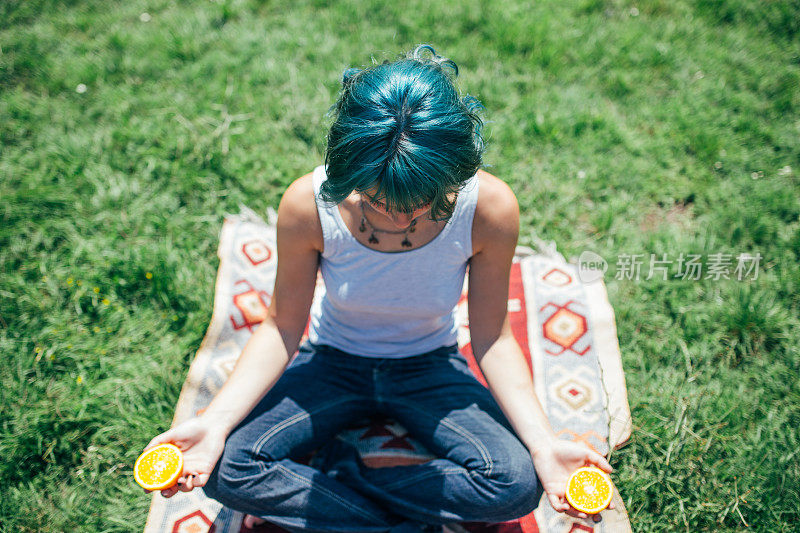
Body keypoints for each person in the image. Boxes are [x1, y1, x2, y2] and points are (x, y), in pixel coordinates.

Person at [142, 44, 613, 532]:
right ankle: (397, 519)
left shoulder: (489, 208)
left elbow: (492, 336)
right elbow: (283, 324)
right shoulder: (308, 205)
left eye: (424, 200)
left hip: (429, 364)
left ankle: (342, 493)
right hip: (332, 361)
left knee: (516, 484)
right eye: (380, 199)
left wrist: (542, 445)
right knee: (222, 467)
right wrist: (215, 423)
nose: (402, 217)